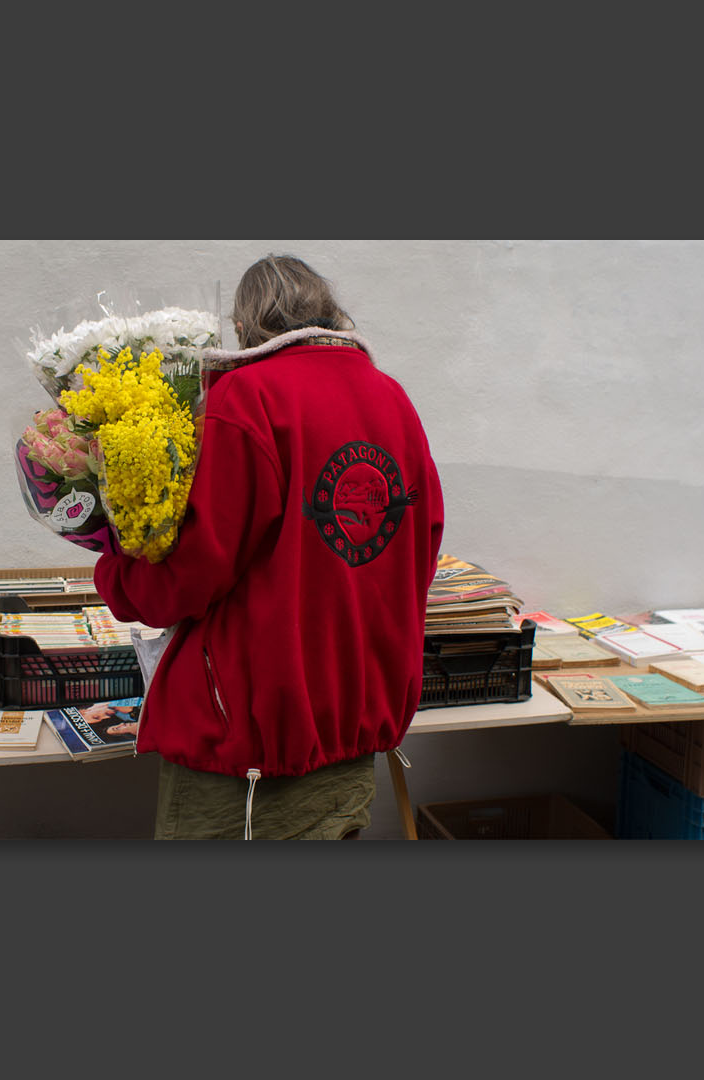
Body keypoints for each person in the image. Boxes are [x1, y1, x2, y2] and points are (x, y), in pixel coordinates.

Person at [94, 254, 445, 839]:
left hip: (249, 768)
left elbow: (188, 573)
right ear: (330, 311)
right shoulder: (392, 400)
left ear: (245, 327)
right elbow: (418, 552)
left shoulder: (245, 400)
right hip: (351, 740)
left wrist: (116, 572)